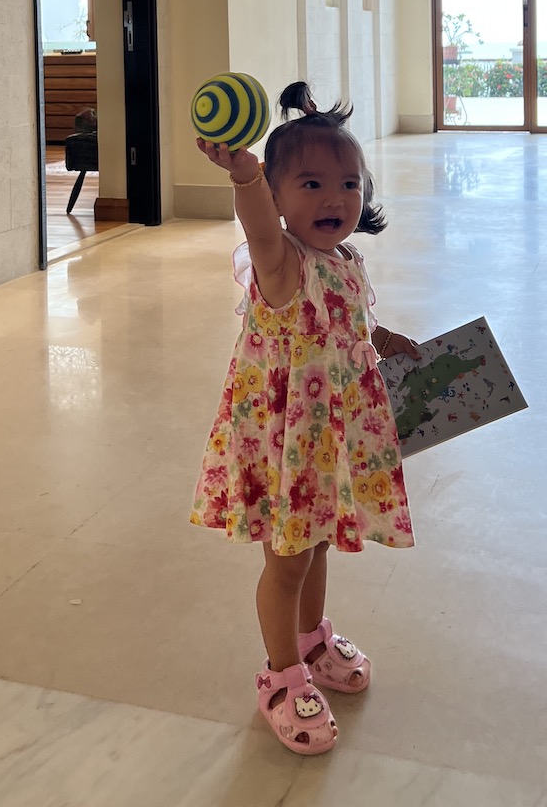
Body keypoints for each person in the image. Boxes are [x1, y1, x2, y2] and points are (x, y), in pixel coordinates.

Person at [190, 82, 420, 755]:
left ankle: (314, 639)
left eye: (348, 184)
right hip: (283, 441)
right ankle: (281, 674)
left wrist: (384, 339)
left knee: (316, 543)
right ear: (278, 197)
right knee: (287, 561)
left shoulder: (345, 260)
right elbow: (259, 226)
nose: (334, 199)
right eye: (311, 184)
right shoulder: (281, 263)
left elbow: (349, 323)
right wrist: (245, 176)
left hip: (326, 442)